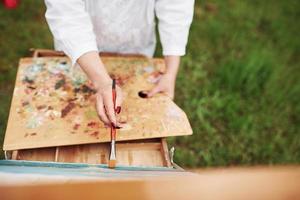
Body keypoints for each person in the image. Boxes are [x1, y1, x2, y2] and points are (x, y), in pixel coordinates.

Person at [45, 0, 194, 127]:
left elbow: (176, 6)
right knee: (74, 114)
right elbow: (66, 15)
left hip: (134, 43)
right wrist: (102, 82)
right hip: (81, 51)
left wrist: (170, 72)